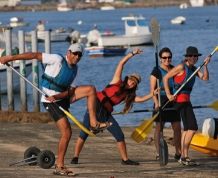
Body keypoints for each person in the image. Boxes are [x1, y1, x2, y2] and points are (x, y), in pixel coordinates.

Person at [0, 43, 110, 176]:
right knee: (67, 133)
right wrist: (10, 58)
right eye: (75, 53)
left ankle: (94, 123)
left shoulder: (75, 69)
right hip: (49, 101)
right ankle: (59, 166)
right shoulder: (57, 59)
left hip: (61, 97)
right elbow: (34, 55)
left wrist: (57, 96)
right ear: (68, 52)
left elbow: (70, 91)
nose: (77, 57)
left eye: (79, 55)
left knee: (91, 89)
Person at [69, 48, 159, 166]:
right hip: (95, 106)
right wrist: (132, 54)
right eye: (132, 80)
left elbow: (140, 99)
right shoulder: (117, 81)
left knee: (120, 135)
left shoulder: (128, 95)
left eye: (135, 83)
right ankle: (75, 157)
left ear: (135, 86)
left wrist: (152, 94)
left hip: (106, 114)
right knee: (83, 134)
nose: (132, 83)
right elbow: (121, 63)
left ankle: (125, 159)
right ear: (128, 78)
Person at [163, 46, 211, 166]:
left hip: (186, 101)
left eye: (196, 56)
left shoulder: (194, 69)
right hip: (178, 101)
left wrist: (205, 65)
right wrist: (168, 94)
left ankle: (183, 156)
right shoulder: (181, 67)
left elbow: (205, 78)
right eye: (192, 56)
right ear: (187, 57)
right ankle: (184, 156)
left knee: (188, 128)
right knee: (193, 127)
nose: (194, 58)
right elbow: (165, 77)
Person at [150, 47, 181, 161]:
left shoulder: (174, 69)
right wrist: (156, 104)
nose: (167, 59)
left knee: (177, 127)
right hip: (161, 100)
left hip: (173, 99)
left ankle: (178, 153)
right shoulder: (156, 71)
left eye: (169, 57)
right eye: (164, 58)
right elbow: (152, 91)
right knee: (159, 128)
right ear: (160, 59)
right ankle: (159, 153)